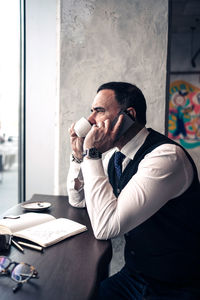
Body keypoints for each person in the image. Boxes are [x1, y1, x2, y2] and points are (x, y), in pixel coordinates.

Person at [67, 82, 200, 299]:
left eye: (99, 111)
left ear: (128, 115)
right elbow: (78, 200)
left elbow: (105, 227)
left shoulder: (165, 158)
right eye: (91, 111)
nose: (90, 120)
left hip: (175, 287)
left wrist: (92, 153)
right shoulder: (115, 157)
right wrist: (79, 157)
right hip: (134, 277)